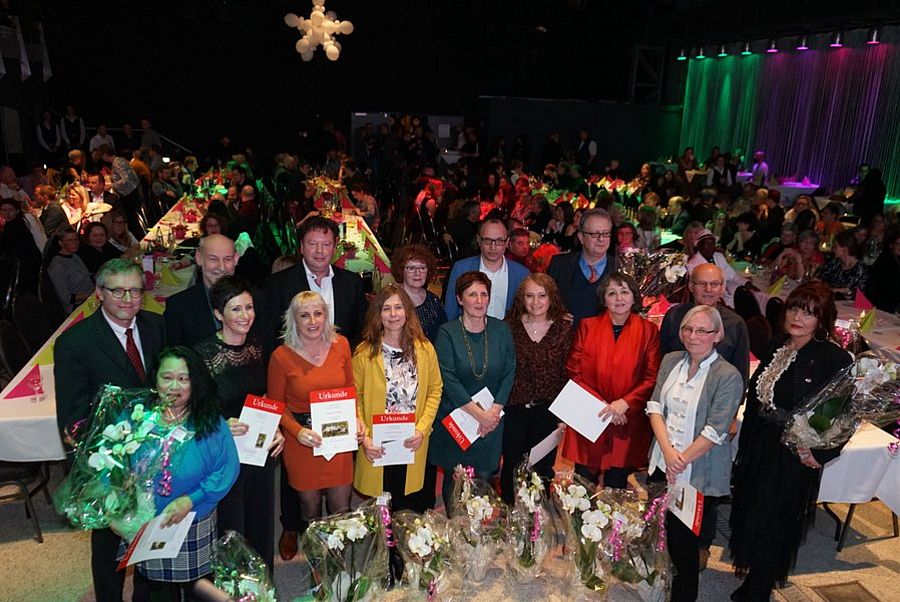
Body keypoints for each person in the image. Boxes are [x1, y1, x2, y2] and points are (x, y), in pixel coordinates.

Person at [730, 282, 852, 601]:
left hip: (793, 454)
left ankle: (759, 588)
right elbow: (757, 397)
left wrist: (820, 453)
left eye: (809, 313)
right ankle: (756, 574)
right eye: (795, 308)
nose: (798, 317)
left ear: (822, 320)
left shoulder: (833, 358)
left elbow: (841, 414)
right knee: (753, 512)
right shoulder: (776, 345)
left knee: (775, 520)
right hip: (761, 444)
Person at [54, 258, 165, 601]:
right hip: (109, 463)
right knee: (107, 546)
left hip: (157, 451)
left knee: (152, 537)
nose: (128, 299)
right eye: (117, 290)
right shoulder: (75, 343)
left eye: (135, 290)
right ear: (99, 293)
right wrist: (96, 475)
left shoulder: (156, 326)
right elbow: (73, 415)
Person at [262, 215, 367, 561]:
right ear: (301, 247)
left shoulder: (351, 284)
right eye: (312, 244)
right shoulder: (280, 283)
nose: (320, 250)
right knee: (302, 496)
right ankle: (294, 528)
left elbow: (356, 349)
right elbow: (268, 337)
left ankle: (336, 555)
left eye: (326, 244)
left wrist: (358, 420)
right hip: (299, 411)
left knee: (340, 499)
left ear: (335, 247)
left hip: (336, 415)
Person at [646, 305, 744, 602]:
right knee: (661, 531)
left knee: (684, 542)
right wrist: (668, 451)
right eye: (688, 329)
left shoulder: (728, 375)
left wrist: (682, 459)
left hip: (697, 471)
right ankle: (660, 585)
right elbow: (654, 407)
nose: (693, 336)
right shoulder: (671, 360)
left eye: (702, 330)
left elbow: (715, 430)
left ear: (717, 335)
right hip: (664, 461)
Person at [131, 346, 239, 599]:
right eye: (166, 377)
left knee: (198, 588)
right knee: (157, 588)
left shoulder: (209, 421)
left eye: (183, 378)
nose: (174, 387)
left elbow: (225, 469)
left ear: (195, 382)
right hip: (150, 519)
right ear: (155, 379)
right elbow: (118, 469)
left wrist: (191, 499)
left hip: (193, 519)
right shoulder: (137, 418)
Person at [194, 276, 283, 570]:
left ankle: (263, 587)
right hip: (224, 452)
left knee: (261, 520)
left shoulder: (258, 346)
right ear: (219, 314)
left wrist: (277, 428)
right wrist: (220, 424)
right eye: (236, 309)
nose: (246, 316)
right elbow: (192, 411)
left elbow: (266, 395)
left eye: (249, 307)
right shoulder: (202, 355)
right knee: (232, 527)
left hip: (258, 448)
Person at [268, 292, 358, 535]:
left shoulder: (342, 345)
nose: (312, 321)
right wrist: (297, 433)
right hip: (302, 443)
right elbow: (276, 406)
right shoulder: (281, 357)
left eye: (318, 314)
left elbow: (350, 388)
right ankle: (318, 562)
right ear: (294, 320)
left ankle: (339, 564)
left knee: (342, 508)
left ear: (326, 316)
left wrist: (357, 419)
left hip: (338, 437)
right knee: (310, 509)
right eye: (304, 315)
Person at [561, 273, 660, 488]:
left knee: (617, 486)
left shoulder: (649, 331)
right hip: (590, 416)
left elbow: (651, 377)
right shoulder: (586, 326)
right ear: (603, 299)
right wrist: (605, 409)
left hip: (627, 420)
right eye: (612, 293)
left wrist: (625, 404)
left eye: (625, 292)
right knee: (582, 485)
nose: (619, 298)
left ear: (634, 297)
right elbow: (574, 371)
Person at [428, 271, 516, 513]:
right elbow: (448, 378)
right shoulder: (447, 333)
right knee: (454, 480)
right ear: (459, 299)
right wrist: (479, 415)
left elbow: (509, 371)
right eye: (472, 294)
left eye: (483, 294)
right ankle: (455, 529)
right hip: (457, 418)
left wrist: (494, 411)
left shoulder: (501, 330)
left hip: (491, 421)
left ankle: (476, 534)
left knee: (483, 480)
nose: (479, 301)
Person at [353, 284, 442, 512]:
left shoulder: (424, 349)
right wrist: (365, 439)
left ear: (407, 312)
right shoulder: (365, 352)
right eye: (386, 309)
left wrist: (422, 429)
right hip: (377, 443)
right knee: (381, 509)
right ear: (378, 314)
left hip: (411, 440)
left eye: (399, 308)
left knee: (408, 507)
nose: (393, 315)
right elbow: (355, 398)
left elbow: (435, 389)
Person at [500, 273, 574, 504]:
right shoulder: (508, 327)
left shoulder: (564, 328)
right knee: (512, 466)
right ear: (521, 298)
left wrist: (565, 415)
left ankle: (537, 523)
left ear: (551, 298)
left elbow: (568, 374)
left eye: (542, 295)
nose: (535, 302)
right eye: (529, 296)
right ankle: (511, 518)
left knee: (541, 470)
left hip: (548, 412)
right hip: (514, 410)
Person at [165, 234, 245, 347]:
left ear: (236, 259)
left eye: (228, 259)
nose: (221, 267)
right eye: (213, 259)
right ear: (199, 258)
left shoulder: (257, 301)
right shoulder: (178, 307)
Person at [444, 218, 529, 321]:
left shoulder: (522, 274)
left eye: (499, 241)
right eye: (487, 240)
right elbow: (450, 311)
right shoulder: (461, 269)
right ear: (479, 241)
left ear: (507, 242)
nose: (493, 247)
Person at [547, 208, 617, 324]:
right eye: (595, 234)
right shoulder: (559, 265)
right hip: (566, 338)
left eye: (605, 234)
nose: (601, 239)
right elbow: (543, 302)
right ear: (581, 237)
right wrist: (554, 313)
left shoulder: (620, 269)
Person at [390, 244, 447, 343]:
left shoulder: (434, 300)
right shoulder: (390, 300)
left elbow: (444, 337)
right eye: (411, 268)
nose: (418, 273)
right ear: (401, 271)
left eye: (422, 268)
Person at [686, 229, 740, 306]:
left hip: (726, 296)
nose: (710, 247)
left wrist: (746, 283)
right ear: (699, 246)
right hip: (708, 302)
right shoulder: (693, 264)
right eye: (706, 244)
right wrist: (718, 300)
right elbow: (699, 290)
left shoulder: (718, 256)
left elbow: (732, 275)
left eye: (712, 244)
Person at [46, 228, 95, 314]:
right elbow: (65, 298)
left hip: (90, 300)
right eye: (70, 240)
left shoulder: (75, 257)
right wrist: (92, 295)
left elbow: (87, 275)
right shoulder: (58, 265)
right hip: (77, 307)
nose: (74, 243)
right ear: (61, 243)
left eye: (76, 240)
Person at [816, 231, 869, 300]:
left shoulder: (860, 268)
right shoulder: (834, 263)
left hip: (848, 305)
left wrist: (834, 290)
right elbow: (819, 279)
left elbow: (856, 293)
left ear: (845, 249)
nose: (832, 249)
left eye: (835, 247)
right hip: (828, 300)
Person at [864, 230, 900, 312]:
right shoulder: (886, 259)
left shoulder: (894, 259)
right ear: (891, 245)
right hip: (881, 303)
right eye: (898, 244)